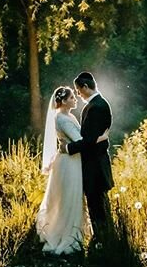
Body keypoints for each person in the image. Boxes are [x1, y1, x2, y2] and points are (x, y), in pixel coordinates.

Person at [36, 85, 108, 254]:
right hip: (68, 163)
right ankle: (68, 233)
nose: (75, 99)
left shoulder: (68, 115)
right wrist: (101, 137)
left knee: (71, 196)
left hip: (72, 160)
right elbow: (79, 140)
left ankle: (74, 230)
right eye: (71, 98)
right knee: (70, 197)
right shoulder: (61, 118)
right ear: (63, 101)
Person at [60, 71, 114, 239]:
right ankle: (105, 238)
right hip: (95, 163)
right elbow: (93, 138)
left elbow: (89, 140)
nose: (77, 94)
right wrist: (98, 139)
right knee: (98, 205)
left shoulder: (96, 107)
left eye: (77, 90)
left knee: (96, 205)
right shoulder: (97, 104)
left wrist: (68, 148)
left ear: (85, 87)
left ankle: (102, 240)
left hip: (95, 165)